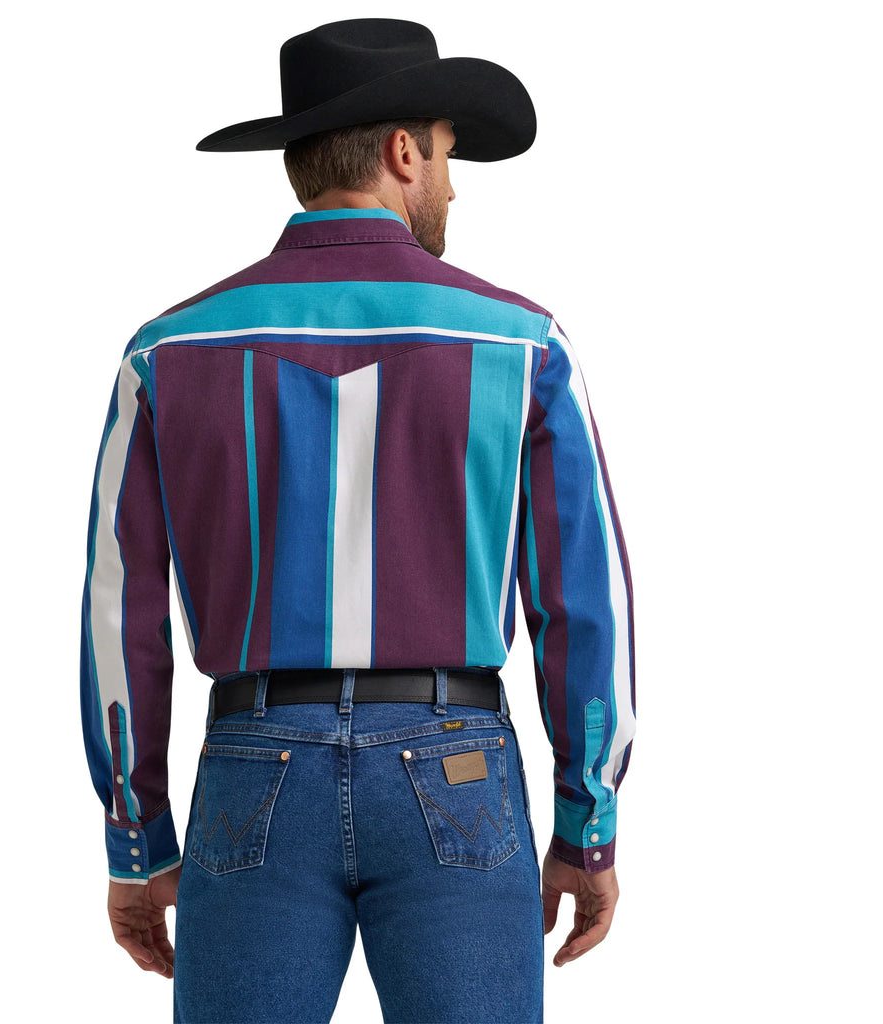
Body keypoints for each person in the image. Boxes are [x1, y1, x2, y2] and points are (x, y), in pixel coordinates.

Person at [80, 18, 636, 1024]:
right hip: (457, 765)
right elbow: (583, 603)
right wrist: (586, 821)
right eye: (450, 156)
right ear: (403, 152)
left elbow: (120, 614)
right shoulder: (526, 347)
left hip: (253, 764)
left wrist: (135, 836)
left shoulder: (165, 354)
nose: (454, 188)